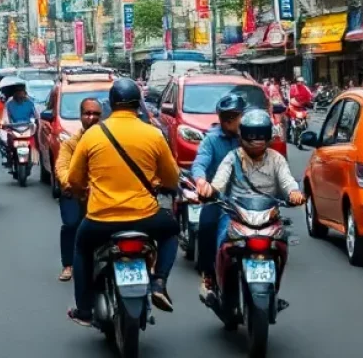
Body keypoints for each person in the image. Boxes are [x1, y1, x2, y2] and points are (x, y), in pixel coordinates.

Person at [66, 78, 180, 325]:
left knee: (81, 248)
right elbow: (172, 177)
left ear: (111, 104)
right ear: (138, 104)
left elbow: (74, 179)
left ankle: (84, 310)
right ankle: (159, 281)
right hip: (145, 217)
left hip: (101, 219)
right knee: (171, 232)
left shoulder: (93, 135)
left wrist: (80, 192)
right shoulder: (154, 134)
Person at [209, 108, 304, 282]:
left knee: (282, 243)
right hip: (236, 215)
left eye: (261, 135)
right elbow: (219, 182)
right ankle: (215, 280)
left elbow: (287, 180)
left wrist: (294, 192)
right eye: (252, 136)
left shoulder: (276, 159)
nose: (256, 141)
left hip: (268, 215)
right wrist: (211, 191)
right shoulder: (233, 158)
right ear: (242, 136)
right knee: (222, 239)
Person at [192, 91, 247, 298]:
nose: (231, 121)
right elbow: (200, 163)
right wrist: (201, 181)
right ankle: (208, 276)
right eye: (226, 117)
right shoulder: (211, 139)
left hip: (252, 199)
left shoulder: (252, 136)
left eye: (235, 115)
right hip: (221, 199)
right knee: (206, 226)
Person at [55, 96, 102, 282]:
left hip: (102, 193)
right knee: (71, 224)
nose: (91, 118)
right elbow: (62, 167)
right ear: (80, 116)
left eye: (96, 114)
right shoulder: (71, 143)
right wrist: (72, 185)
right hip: (76, 191)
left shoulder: (107, 141)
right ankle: (68, 264)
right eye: (87, 113)